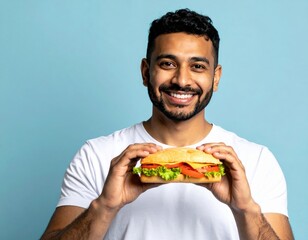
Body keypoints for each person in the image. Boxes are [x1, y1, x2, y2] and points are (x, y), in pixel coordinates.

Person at [41, 9, 294, 240]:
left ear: (215, 78)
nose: (182, 79)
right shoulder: (97, 155)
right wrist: (105, 206)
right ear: (145, 72)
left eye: (197, 66)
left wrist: (245, 209)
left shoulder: (257, 160)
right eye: (168, 64)